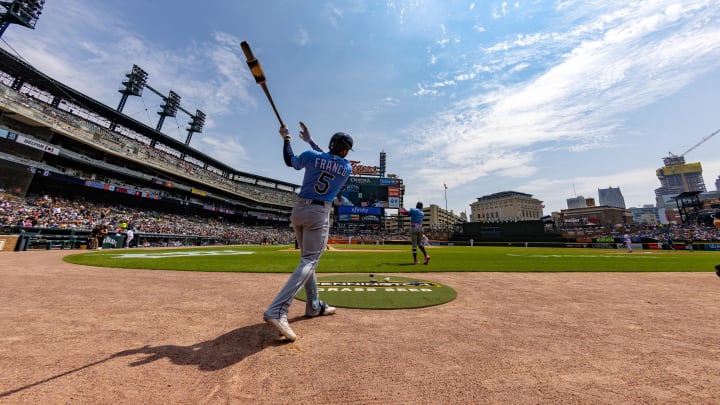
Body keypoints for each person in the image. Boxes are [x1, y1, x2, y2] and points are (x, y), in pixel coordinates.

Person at [263, 122, 353, 342]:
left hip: (298, 210)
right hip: (318, 212)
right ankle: (277, 310)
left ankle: (313, 305)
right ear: (345, 150)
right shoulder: (347, 168)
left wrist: (286, 138)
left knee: (307, 260)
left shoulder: (311, 156)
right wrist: (311, 141)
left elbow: (290, 161)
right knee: (310, 261)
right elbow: (332, 160)